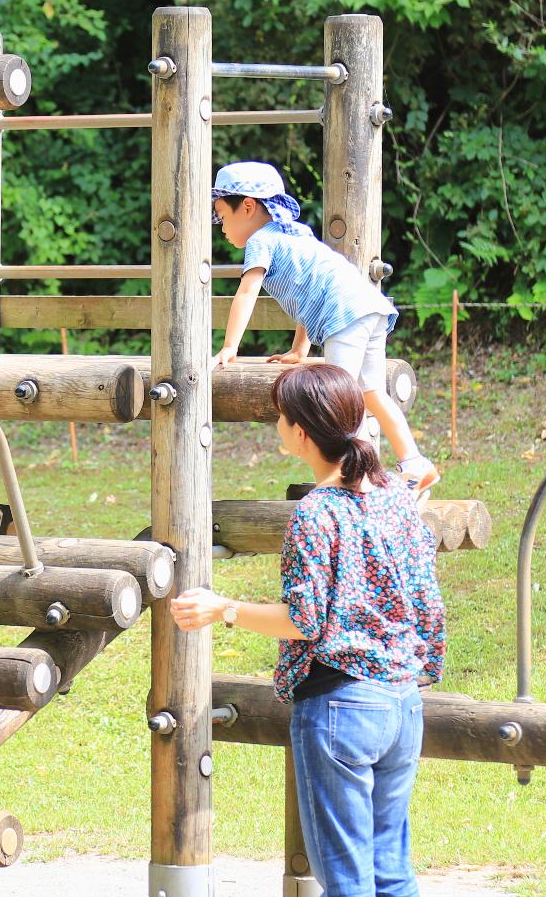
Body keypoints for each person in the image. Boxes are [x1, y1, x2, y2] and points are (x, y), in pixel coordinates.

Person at [172, 363, 446, 897]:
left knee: (345, 881)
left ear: (301, 432)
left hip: (341, 706)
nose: (276, 425)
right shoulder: (396, 498)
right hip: (402, 704)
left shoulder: (316, 513)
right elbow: (426, 600)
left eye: (279, 417)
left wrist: (222, 607)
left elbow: (303, 619)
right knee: (392, 871)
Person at [209, 160, 438, 494]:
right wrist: (300, 349)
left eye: (223, 217)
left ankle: (355, 480)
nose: (222, 228)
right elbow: (309, 292)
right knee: (369, 391)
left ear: (247, 207)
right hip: (367, 305)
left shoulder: (262, 240)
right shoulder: (293, 234)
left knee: (336, 402)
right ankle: (414, 464)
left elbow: (246, 292)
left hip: (343, 315)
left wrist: (229, 347)